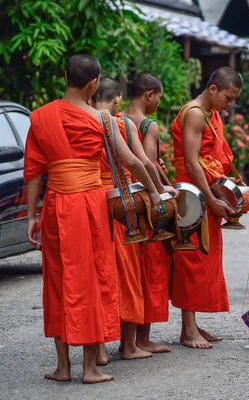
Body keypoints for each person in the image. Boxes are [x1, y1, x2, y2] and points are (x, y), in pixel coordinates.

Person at [23, 54, 158, 383]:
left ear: (63, 76)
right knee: (93, 278)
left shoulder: (40, 117)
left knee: (58, 281)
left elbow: (33, 173)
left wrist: (31, 217)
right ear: (94, 83)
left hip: (56, 206)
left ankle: (63, 367)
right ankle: (89, 368)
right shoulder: (103, 120)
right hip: (90, 206)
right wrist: (153, 192)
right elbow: (132, 162)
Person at [89, 76, 176, 362]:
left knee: (99, 275)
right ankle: (128, 345)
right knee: (127, 276)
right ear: (117, 101)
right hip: (122, 207)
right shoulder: (122, 125)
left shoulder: (83, 121)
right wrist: (158, 191)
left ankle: (99, 348)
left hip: (89, 202)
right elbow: (141, 163)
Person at [170, 67, 241, 349]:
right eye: (229, 97)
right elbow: (191, 162)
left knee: (205, 256)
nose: (230, 103)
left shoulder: (211, 113)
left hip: (206, 190)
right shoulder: (196, 113)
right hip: (192, 196)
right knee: (191, 258)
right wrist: (211, 198)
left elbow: (210, 157)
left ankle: (193, 324)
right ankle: (188, 330)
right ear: (213, 89)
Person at [120, 72, 172, 354]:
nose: (158, 104)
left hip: (120, 200)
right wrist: (162, 190)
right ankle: (142, 338)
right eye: (159, 97)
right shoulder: (148, 126)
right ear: (149, 94)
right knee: (151, 267)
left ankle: (125, 339)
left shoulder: (115, 119)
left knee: (128, 270)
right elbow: (147, 163)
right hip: (144, 199)